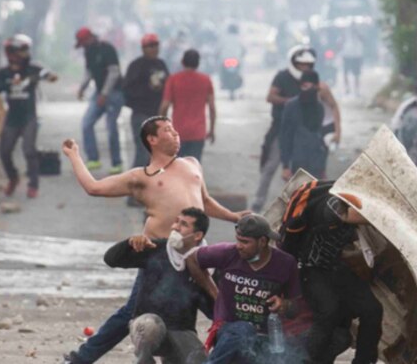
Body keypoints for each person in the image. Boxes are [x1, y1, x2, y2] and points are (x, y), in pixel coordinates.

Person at [61, 116, 246, 364]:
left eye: (175, 129)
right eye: (168, 131)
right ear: (152, 139)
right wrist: (74, 155)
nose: (176, 134)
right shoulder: (141, 177)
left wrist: (233, 216)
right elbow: (94, 187)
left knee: (219, 307)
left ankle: (243, 356)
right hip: (159, 256)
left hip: (196, 252)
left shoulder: (192, 164)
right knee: (132, 313)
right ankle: (80, 359)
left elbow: (205, 203)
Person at [103, 208, 212, 364]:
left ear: (197, 236)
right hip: (146, 324)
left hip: (181, 329)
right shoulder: (156, 249)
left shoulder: (206, 263)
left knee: (199, 359)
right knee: (150, 327)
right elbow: (111, 259)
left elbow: (212, 311)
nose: (175, 227)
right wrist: (129, 243)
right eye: (176, 221)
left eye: (183, 224)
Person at [288, 188, 383, 364]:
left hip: (336, 267)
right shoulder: (332, 204)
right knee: (328, 312)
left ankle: (364, 360)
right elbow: (346, 215)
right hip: (312, 268)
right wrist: (383, 217)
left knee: (373, 310)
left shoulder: (363, 205)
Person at [196, 214, 303, 363]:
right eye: (238, 240)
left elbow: (296, 308)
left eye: (245, 242)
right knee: (244, 329)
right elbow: (192, 259)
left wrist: (284, 305)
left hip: (266, 337)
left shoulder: (285, 263)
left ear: (263, 241)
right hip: (229, 330)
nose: (239, 245)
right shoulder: (227, 253)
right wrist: (214, 292)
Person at [251, 45, 341, 212]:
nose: (304, 68)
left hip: (307, 137)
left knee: (311, 175)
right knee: (271, 165)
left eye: (307, 65)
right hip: (282, 128)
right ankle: (259, 200)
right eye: (301, 64)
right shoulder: (283, 79)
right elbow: (270, 96)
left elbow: (331, 110)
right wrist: (292, 104)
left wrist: (336, 132)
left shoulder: (318, 93)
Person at [0, 34, 57, 198]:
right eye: (21, 51)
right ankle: (13, 178)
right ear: (11, 52)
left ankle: (33, 184)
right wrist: (8, 83)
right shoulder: (4, 72)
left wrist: (45, 76)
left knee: (29, 150)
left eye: (26, 50)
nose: (25, 54)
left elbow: (50, 75)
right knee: (4, 152)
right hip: (12, 118)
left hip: (29, 117)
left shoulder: (33, 68)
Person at [74, 27, 124, 175]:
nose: (83, 46)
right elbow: (89, 72)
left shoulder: (107, 49)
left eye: (83, 43)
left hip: (114, 92)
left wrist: (104, 93)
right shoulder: (88, 52)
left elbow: (114, 72)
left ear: (89, 38)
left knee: (111, 127)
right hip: (99, 92)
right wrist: (82, 88)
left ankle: (117, 162)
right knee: (86, 123)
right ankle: (93, 158)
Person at [123, 33, 169, 170]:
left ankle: (148, 185)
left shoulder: (161, 64)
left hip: (157, 115)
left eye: (155, 45)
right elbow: (126, 90)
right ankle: (134, 183)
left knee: (156, 153)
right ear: (143, 48)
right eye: (150, 46)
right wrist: (144, 92)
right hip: (141, 114)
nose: (153, 49)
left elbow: (168, 87)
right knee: (143, 151)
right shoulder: (136, 66)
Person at [159, 49, 215, 161]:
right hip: (198, 132)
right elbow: (212, 108)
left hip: (178, 132)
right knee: (193, 167)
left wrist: (162, 129)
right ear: (198, 63)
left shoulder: (173, 79)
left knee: (175, 167)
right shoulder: (205, 80)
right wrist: (212, 130)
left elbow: (164, 107)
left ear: (182, 62)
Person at [280, 71, 327, 180]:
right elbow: (285, 136)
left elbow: (320, 138)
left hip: (315, 162)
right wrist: (285, 165)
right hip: (297, 161)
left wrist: (322, 168)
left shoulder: (319, 107)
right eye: (304, 86)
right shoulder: (292, 106)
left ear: (316, 86)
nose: (306, 89)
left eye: (310, 86)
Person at [341, 24, 365, 96]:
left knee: (356, 74)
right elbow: (340, 42)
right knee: (345, 73)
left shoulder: (359, 34)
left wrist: (358, 34)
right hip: (347, 55)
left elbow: (364, 40)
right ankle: (347, 88)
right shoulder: (345, 34)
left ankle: (356, 90)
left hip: (356, 56)